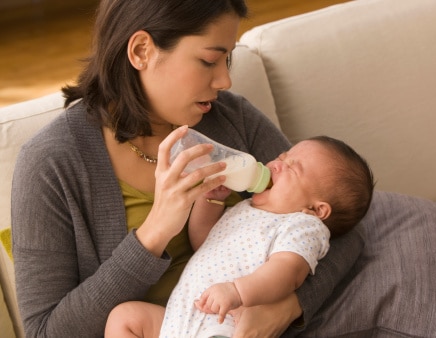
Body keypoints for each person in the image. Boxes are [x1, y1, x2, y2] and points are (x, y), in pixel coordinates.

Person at [10, 1, 363, 337]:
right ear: (141, 51)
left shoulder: (228, 118)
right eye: (210, 61)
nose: (225, 81)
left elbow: (338, 228)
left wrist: (287, 307)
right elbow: (46, 331)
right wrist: (154, 233)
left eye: (228, 59)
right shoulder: (50, 164)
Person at [104, 135, 375, 337]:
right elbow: (205, 242)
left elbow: (288, 273)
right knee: (125, 317)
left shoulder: (302, 226)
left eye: (292, 168)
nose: (276, 164)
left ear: (316, 209)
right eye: (281, 157)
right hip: (181, 317)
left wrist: (237, 291)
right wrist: (209, 203)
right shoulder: (246, 208)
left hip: (224, 325)